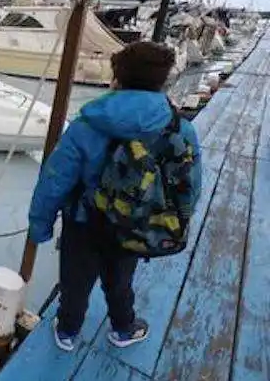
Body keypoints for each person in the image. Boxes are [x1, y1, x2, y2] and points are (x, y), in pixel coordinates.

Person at [27, 41, 202, 352]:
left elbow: (54, 182)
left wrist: (39, 225)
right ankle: (123, 328)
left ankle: (67, 332)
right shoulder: (180, 128)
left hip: (83, 222)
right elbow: (189, 184)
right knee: (120, 280)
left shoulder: (85, 126)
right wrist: (175, 219)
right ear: (161, 81)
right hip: (133, 221)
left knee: (75, 282)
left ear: (117, 78)